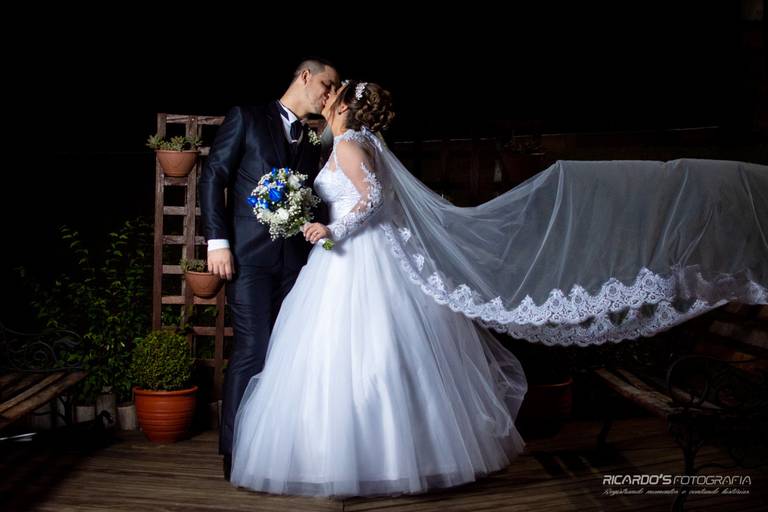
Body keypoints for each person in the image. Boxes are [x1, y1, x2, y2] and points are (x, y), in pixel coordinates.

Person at [230, 80, 768, 498]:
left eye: (335, 95)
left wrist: (330, 229)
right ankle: (390, 456)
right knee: (368, 353)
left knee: (358, 352)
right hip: (355, 260)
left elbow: (370, 201)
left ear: (346, 107)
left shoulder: (350, 144)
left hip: (355, 258)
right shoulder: (361, 142)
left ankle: (362, 460)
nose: (328, 99)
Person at [199, 58, 340, 481]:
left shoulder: (312, 138)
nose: (329, 95)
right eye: (328, 85)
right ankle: (237, 451)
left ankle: (276, 450)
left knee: (287, 353)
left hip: (296, 264)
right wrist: (218, 242)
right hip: (248, 259)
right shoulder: (247, 117)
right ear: (305, 76)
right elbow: (214, 176)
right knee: (253, 349)